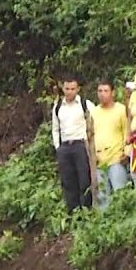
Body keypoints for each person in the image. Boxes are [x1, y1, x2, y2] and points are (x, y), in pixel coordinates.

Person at [51, 77, 95, 213]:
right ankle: (73, 212)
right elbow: (55, 128)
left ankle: (87, 210)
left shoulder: (85, 104)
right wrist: (58, 147)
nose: (69, 92)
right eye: (67, 89)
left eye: (72, 89)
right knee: (68, 181)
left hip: (80, 145)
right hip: (65, 147)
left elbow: (95, 121)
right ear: (63, 89)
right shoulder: (58, 106)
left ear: (78, 89)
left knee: (84, 179)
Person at [90, 81, 130, 210]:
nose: (102, 94)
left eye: (105, 91)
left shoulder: (120, 109)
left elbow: (127, 131)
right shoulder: (94, 113)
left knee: (120, 192)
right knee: (102, 197)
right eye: (100, 91)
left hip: (116, 158)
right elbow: (90, 136)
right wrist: (92, 156)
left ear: (112, 93)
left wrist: (127, 151)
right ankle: (104, 224)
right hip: (100, 161)